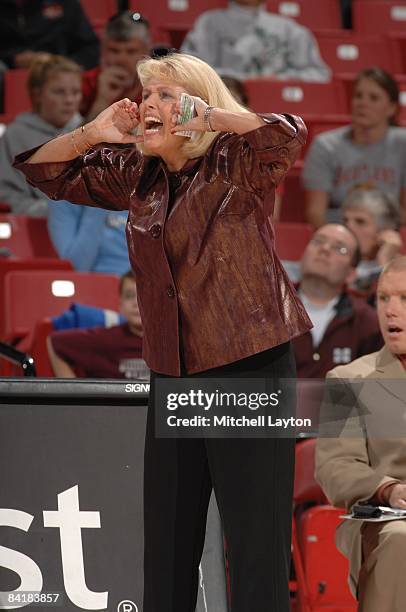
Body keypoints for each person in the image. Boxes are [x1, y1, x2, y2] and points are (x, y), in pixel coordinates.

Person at [14, 52, 312, 612]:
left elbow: (286, 136)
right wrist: (93, 132)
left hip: (247, 366)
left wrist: (219, 118)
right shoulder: (137, 174)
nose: (148, 104)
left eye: (165, 96)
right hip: (174, 370)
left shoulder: (234, 161)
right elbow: (42, 171)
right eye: (146, 95)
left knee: (253, 544)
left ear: (199, 104)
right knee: (169, 542)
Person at [316, 255, 406, 611]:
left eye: (404, 299)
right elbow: (336, 467)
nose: (390, 311)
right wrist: (389, 489)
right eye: (383, 299)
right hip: (390, 519)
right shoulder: (346, 381)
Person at [302, 67, 406, 228]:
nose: (363, 103)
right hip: (339, 232)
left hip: (388, 235)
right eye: (358, 96)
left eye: (374, 98)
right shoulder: (325, 145)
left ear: (391, 108)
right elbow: (316, 213)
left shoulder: (402, 144)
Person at [292, 224, 382, 378]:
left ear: (351, 274)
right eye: (318, 241)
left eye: (339, 249)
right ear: (302, 256)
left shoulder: (367, 322)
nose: (325, 249)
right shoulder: (268, 308)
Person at [0, 54, 82, 216]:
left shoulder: (89, 131)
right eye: (59, 92)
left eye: (76, 92)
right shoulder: (15, 135)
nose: (69, 100)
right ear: (38, 95)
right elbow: (6, 193)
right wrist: (51, 212)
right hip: (34, 224)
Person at [181, 0, 331, 81]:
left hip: (278, 109)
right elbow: (190, 71)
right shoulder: (209, 23)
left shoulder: (289, 29)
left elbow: (319, 74)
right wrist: (242, 81)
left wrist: (279, 80)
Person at [47, 270, 147, 379]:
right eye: (129, 296)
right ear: (120, 305)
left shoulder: (166, 342)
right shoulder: (106, 339)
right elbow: (54, 342)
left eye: (144, 295)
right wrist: (72, 391)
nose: (136, 302)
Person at [81, 11, 151, 121]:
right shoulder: (85, 83)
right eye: (114, 51)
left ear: (145, 53)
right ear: (102, 51)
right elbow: (75, 136)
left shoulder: (156, 85)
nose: (121, 59)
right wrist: (102, 100)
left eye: (131, 51)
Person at [0, 0, 99, 71]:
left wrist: (60, 64)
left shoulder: (66, 4)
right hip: (8, 71)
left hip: (60, 71)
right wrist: (12, 59)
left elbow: (91, 48)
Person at [342, 188, 404, 295]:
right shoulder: (334, 260)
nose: (348, 227)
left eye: (360, 222)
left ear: (385, 230)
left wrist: (385, 262)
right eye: (345, 220)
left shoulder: (402, 269)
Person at [47, 200, 130, 274]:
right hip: (97, 283)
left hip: (136, 282)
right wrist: (98, 203)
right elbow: (76, 267)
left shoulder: (135, 191)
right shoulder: (61, 198)